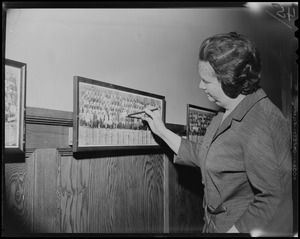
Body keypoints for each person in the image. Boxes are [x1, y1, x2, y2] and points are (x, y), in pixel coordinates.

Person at [142, 32, 293, 234]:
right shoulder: (227, 112)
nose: (200, 85)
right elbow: (207, 156)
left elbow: (275, 197)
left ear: (229, 80)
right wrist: (162, 131)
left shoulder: (264, 120)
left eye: (206, 81)